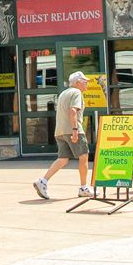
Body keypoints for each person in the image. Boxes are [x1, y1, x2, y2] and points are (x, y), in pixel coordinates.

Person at [33, 72, 92, 200]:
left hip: (60, 131)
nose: (87, 83)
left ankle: (43, 181)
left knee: (63, 159)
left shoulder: (63, 93)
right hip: (73, 130)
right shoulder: (77, 93)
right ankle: (83, 188)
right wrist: (75, 130)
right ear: (78, 82)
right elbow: (73, 111)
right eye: (84, 81)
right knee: (83, 157)